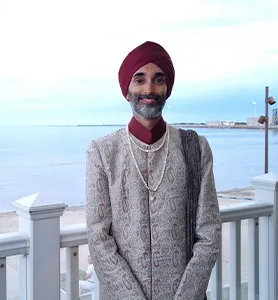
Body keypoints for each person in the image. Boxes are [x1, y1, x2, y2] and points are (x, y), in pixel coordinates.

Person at [85, 41, 221, 300]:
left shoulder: (196, 149)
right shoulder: (102, 152)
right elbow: (98, 236)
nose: (149, 89)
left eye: (158, 80)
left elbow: (209, 234)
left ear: (167, 89)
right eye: (139, 80)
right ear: (127, 91)